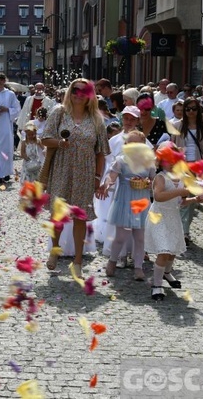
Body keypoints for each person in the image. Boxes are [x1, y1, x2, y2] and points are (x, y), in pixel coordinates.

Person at [43, 78, 109, 272]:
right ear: (69, 93)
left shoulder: (97, 120)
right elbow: (45, 139)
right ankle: (54, 251)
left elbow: (101, 153)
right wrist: (58, 143)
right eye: (75, 90)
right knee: (58, 214)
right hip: (61, 169)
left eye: (83, 91)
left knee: (80, 216)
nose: (78, 94)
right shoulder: (59, 113)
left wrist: (98, 178)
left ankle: (78, 260)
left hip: (85, 173)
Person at [145, 142, 203, 301]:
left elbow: (181, 202)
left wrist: (195, 199)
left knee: (172, 252)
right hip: (159, 217)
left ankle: (167, 273)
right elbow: (158, 197)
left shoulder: (182, 178)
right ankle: (157, 285)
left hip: (173, 217)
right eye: (166, 159)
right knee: (164, 251)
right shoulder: (160, 177)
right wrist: (180, 191)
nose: (169, 163)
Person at [96, 131, 155, 281]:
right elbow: (112, 176)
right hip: (124, 200)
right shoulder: (121, 160)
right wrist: (107, 183)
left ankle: (138, 267)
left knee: (140, 238)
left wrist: (149, 184)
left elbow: (153, 181)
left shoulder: (149, 162)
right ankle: (112, 261)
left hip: (141, 202)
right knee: (120, 236)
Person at [171, 98, 203, 245]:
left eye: (194, 109)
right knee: (182, 198)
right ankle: (184, 233)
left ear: (198, 110)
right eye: (187, 109)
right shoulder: (176, 125)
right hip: (181, 167)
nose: (190, 112)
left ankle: (184, 229)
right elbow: (172, 149)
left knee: (194, 200)